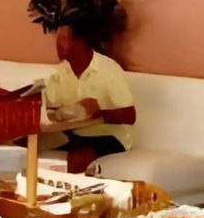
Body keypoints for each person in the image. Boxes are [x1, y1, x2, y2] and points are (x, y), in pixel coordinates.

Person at [43, 24, 136, 173]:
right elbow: (49, 104)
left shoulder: (108, 69)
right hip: (73, 133)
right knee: (22, 142)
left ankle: (72, 188)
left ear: (81, 42)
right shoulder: (62, 71)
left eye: (63, 39)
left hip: (107, 136)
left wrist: (98, 111)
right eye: (57, 39)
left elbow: (129, 115)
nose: (57, 44)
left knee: (79, 157)